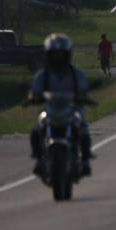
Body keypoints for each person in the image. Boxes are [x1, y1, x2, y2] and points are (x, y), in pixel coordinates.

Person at [29, 33, 94, 177]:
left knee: (82, 129)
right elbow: (35, 90)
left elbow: (84, 88)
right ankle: (39, 159)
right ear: (48, 55)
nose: (58, 58)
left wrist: (84, 97)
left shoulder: (76, 73)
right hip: (51, 109)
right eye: (54, 54)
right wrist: (33, 97)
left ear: (68, 55)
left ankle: (85, 160)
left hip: (72, 109)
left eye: (61, 54)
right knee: (36, 129)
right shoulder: (43, 75)